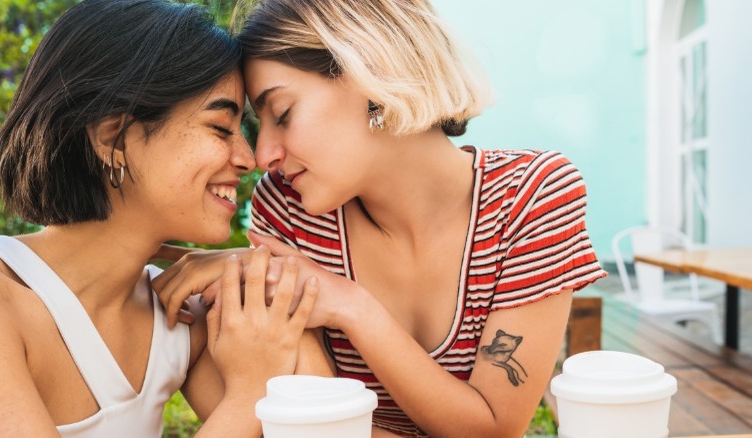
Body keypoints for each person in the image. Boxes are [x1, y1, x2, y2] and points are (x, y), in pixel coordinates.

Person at [156, 0, 608, 436]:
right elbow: (304, 419)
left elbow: (493, 429)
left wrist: (350, 306)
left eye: (283, 114)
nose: (263, 155)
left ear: (374, 73)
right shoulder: (292, 211)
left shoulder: (530, 196)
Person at [0, 0, 326, 436]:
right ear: (113, 139)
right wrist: (249, 393)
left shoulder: (180, 316)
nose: (247, 159)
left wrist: (272, 278)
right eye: (220, 128)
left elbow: (323, 426)